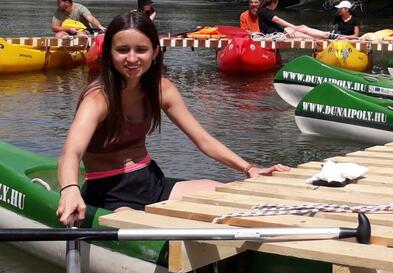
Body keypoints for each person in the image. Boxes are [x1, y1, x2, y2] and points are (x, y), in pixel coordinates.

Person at [55, 12, 289, 225]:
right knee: (147, 226)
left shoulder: (161, 89)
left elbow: (202, 140)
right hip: (108, 194)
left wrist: (249, 169)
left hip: (152, 182)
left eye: (141, 50)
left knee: (229, 197)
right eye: (123, 50)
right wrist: (70, 189)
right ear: (109, 53)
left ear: (155, 52)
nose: (132, 58)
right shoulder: (98, 98)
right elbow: (71, 153)